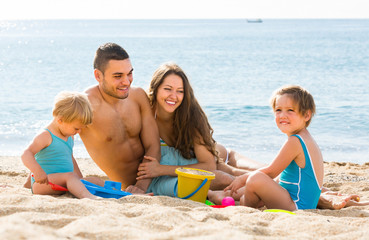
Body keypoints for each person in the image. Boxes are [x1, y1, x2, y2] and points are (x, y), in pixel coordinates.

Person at [135, 62, 249, 196]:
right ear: (156, 88)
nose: (174, 96)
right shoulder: (145, 114)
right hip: (182, 168)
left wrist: (161, 169)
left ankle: (268, 179)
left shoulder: (190, 116)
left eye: (180, 91)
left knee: (231, 173)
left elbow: (208, 165)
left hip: (203, 157)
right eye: (168, 89)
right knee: (225, 175)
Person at [79, 43, 161, 194]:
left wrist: (141, 187)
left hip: (158, 169)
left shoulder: (138, 96)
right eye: (118, 76)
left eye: (129, 73)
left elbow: (154, 145)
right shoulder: (85, 105)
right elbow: (54, 137)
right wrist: (74, 180)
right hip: (133, 185)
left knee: (217, 158)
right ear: (98, 75)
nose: (126, 81)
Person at [21, 91, 101, 199]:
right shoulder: (46, 136)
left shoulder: (69, 136)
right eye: (76, 128)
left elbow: (70, 158)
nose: (79, 132)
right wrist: (37, 171)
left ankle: (116, 191)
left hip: (64, 181)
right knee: (70, 177)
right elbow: (26, 154)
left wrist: (79, 179)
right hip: (44, 183)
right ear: (60, 120)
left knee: (96, 180)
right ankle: (88, 197)